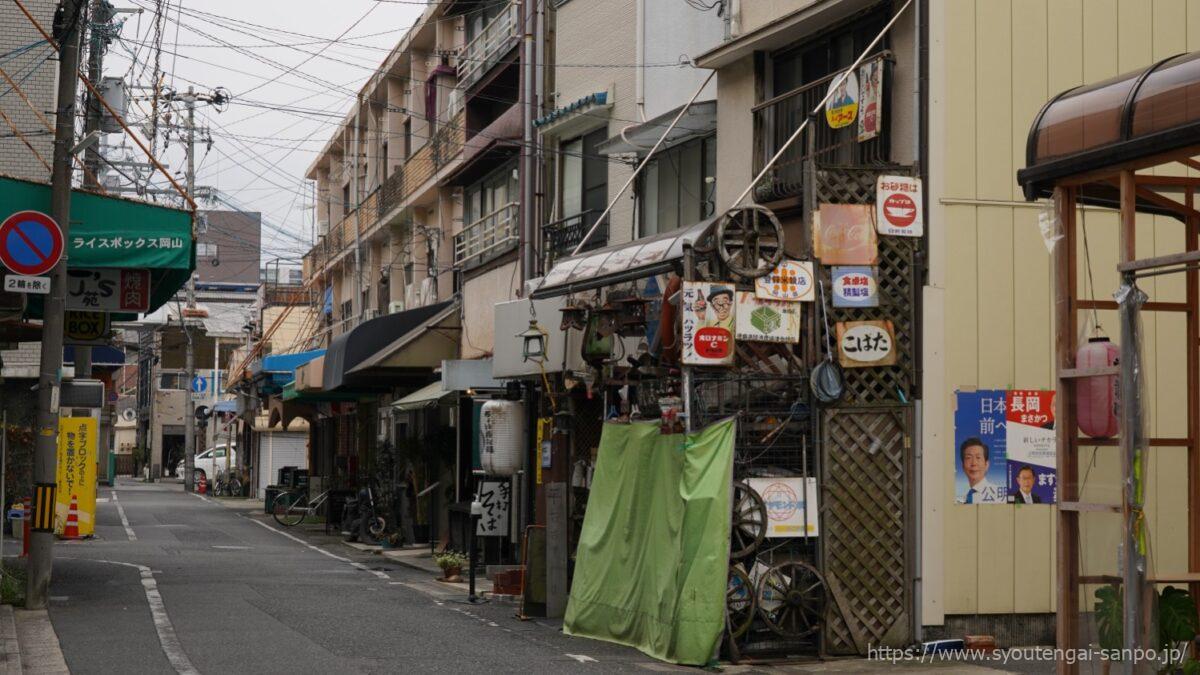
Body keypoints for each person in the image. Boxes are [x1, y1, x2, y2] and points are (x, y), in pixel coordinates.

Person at [958, 437, 1004, 504]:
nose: (974, 463)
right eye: (968, 458)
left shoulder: (998, 495)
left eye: (978, 457)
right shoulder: (966, 496)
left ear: (986, 465)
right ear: (963, 466)